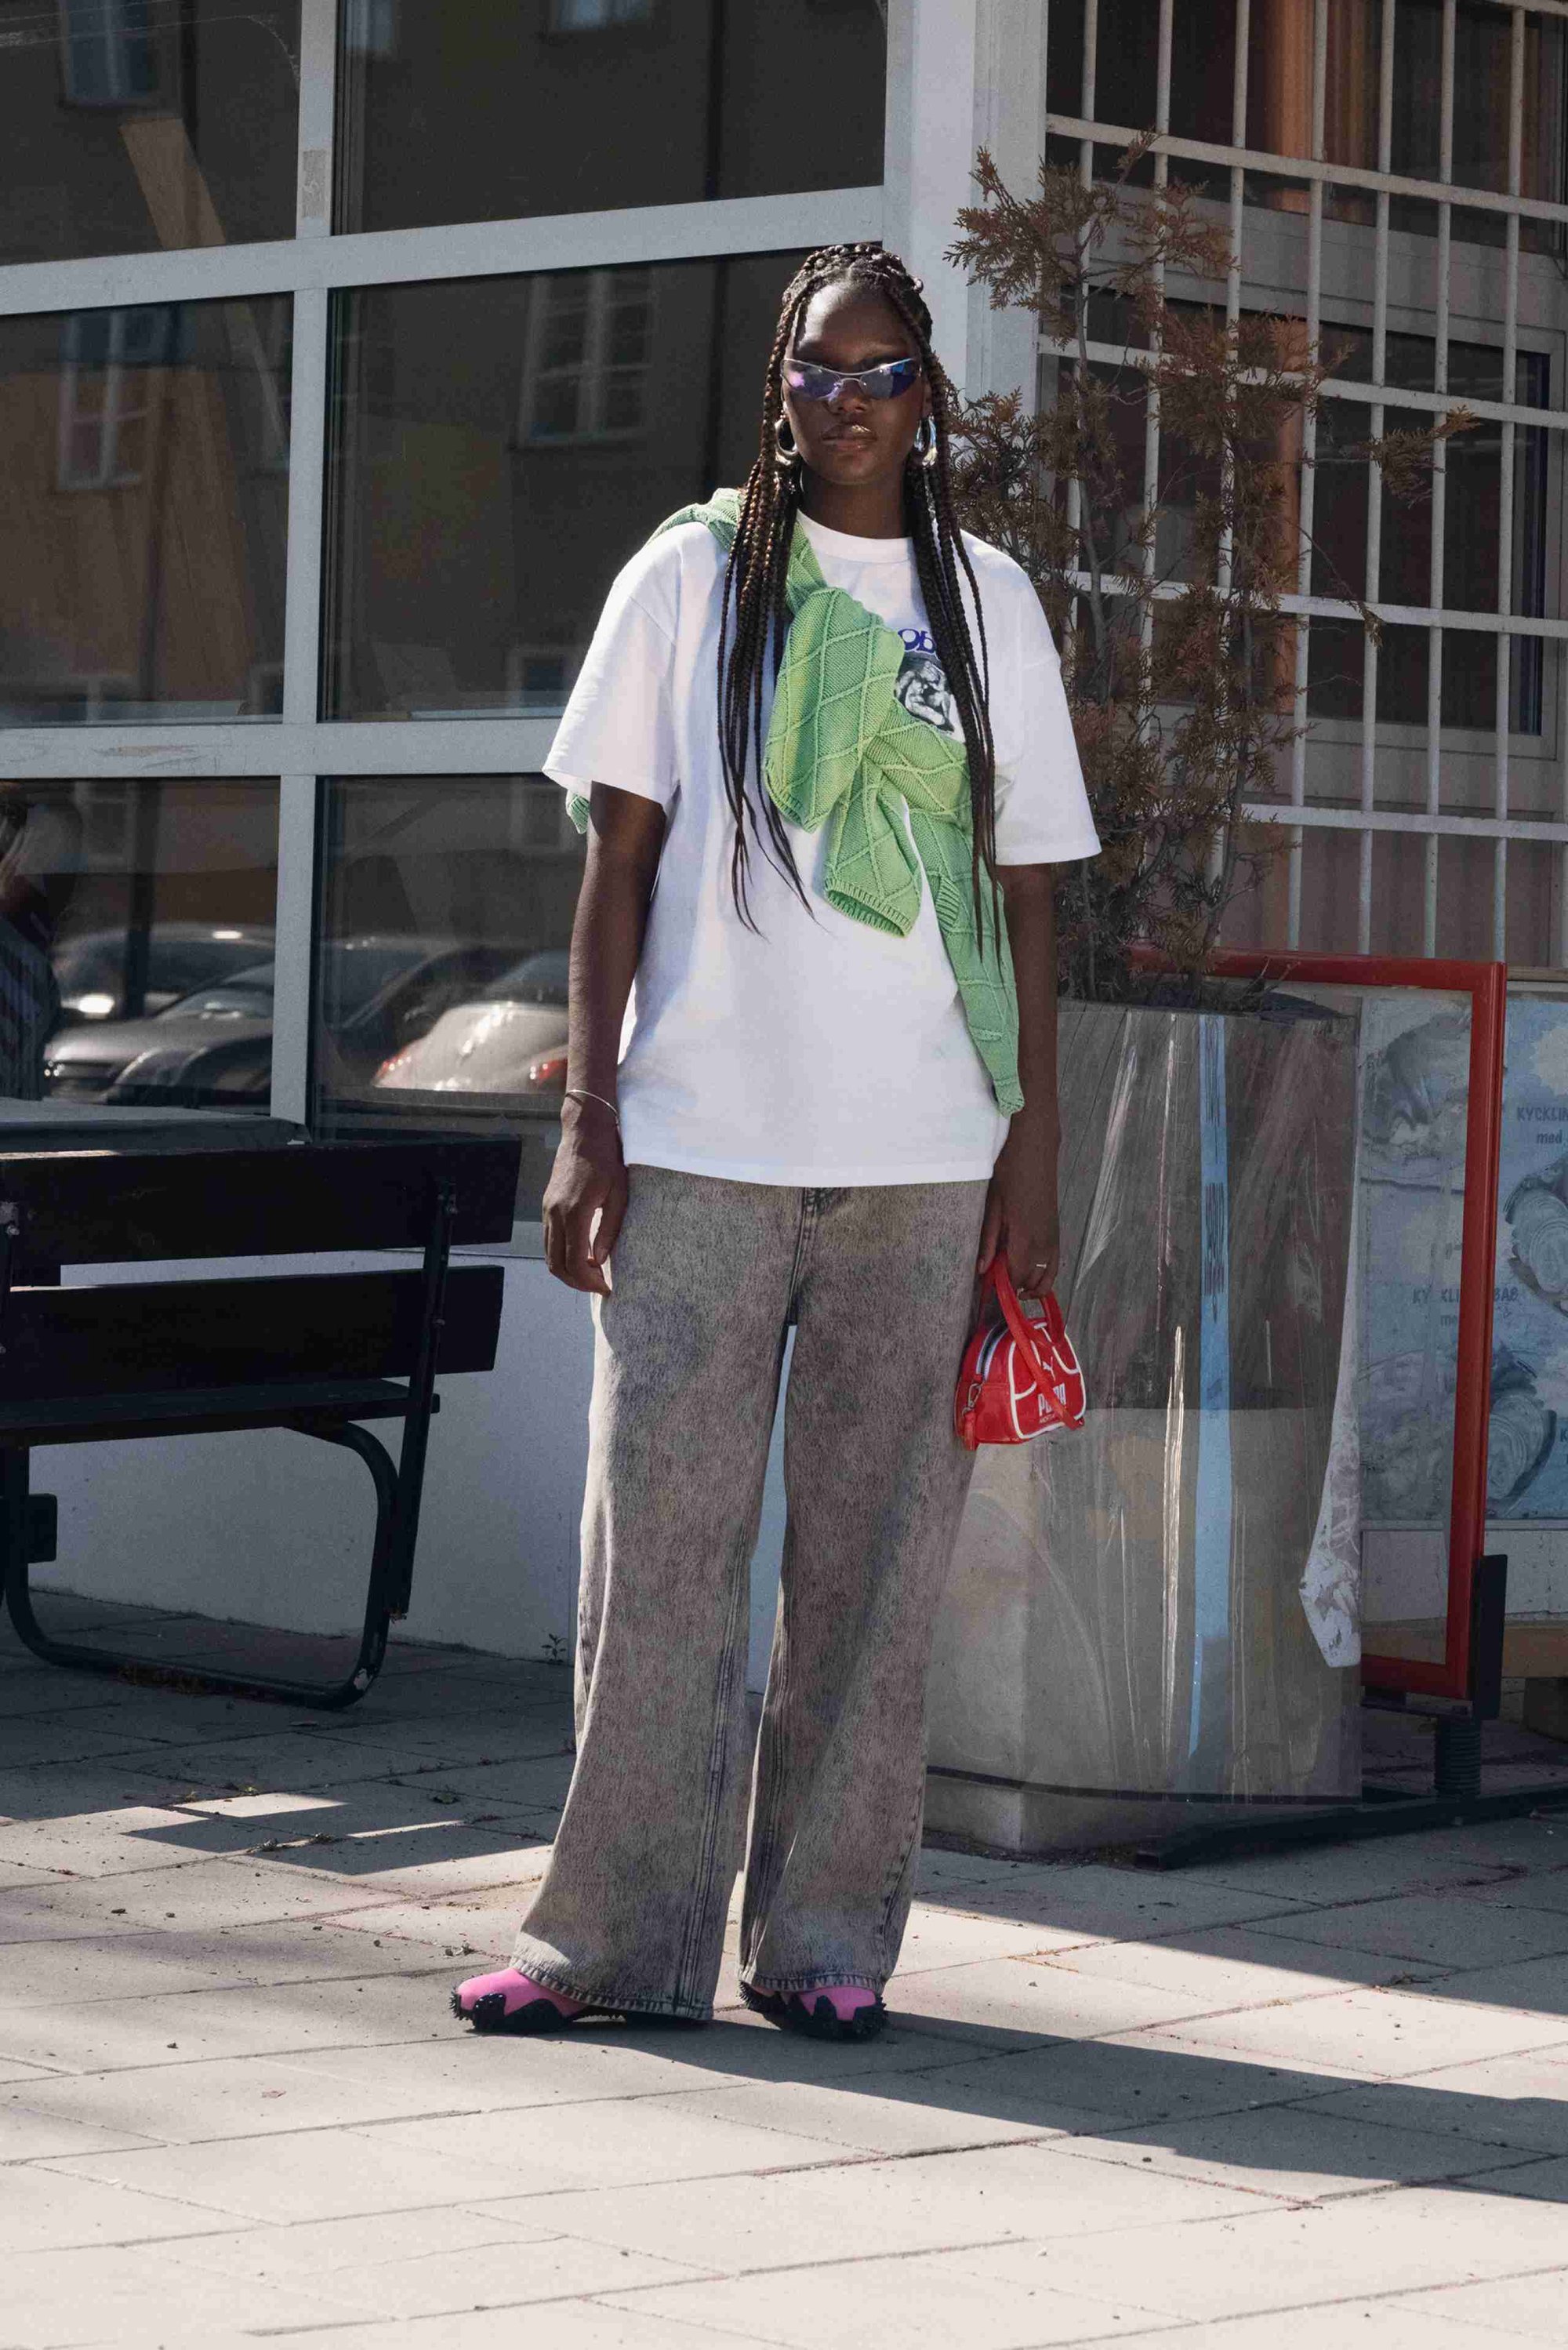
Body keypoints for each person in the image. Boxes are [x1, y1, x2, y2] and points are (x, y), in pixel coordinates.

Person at [454, 243, 1098, 2043]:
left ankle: (825, 1936)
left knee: (873, 1573)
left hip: (920, 1157)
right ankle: (610, 1942)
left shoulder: (988, 605)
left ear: (928, 402)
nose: (848, 404)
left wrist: (1028, 1157)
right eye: (820, 370)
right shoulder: (689, 575)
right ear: (778, 387)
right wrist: (590, 1116)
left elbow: (1029, 904)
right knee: (655, 1557)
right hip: (699, 1148)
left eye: (884, 375)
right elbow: (617, 859)